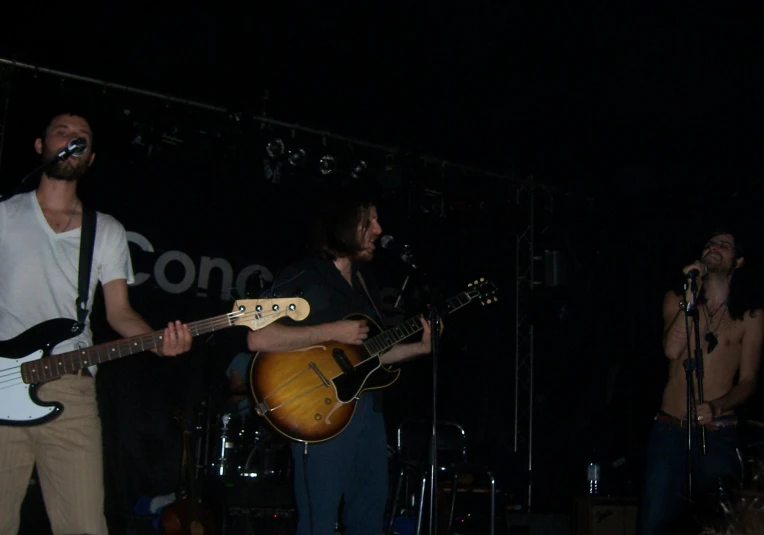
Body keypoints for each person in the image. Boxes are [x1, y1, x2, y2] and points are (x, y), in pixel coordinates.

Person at [0, 110, 194, 535]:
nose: (72, 139)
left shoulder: (105, 231)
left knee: (86, 526)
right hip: (2, 384)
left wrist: (156, 341)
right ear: (40, 145)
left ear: (90, 160)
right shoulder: (5, 214)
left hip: (71, 387)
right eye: (62, 131)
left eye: (82, 136)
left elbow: (119, 313)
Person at [246, 187, 441, 535]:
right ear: (346, 225)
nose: (379, 230)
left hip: (367, 412)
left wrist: (419, 348)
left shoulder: (366, 283)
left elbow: (369, 356)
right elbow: (257, 336)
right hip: (319, 411)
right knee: (318, 522)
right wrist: (330, 330)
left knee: (367, 519)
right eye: (371, 220)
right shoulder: (303, 273)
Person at [638, 228, 764, 535]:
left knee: (719, 523)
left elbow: (748, 381)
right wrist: (691, 297)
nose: (714, 248)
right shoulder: (677, 299)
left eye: (724, 246)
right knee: (655, 522)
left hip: (718, 432)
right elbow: (671, 350)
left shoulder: (749, 316)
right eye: (710, 244)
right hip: (670, 429)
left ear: (739, 261)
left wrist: (717, 406)